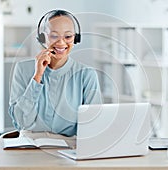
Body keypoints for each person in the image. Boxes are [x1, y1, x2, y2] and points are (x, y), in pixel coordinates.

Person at [8, 9, 102, 140]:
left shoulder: (87, 75)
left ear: (76, 38)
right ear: (42, 37)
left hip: (69, 148)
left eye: (68, 37)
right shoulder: (23, 69)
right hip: (30, 145)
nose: (61, 43)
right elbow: (22, 123)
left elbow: (92, 125)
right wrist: (37, 77)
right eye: (54, 36)